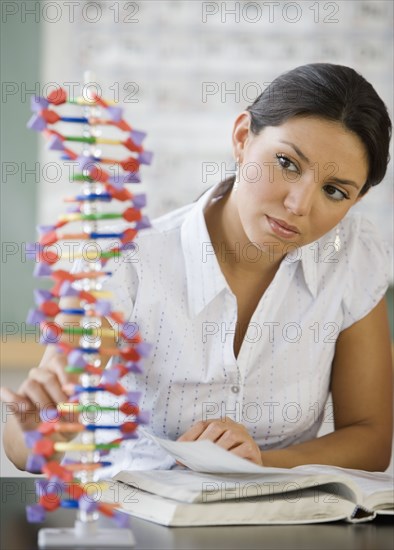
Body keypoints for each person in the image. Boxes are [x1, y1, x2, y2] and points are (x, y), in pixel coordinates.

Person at [2, 63, 393, 474]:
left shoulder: (352, 256)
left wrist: (259, 463)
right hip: (143, 525)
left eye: (334, 191)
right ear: (243, 138)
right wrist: (40, 430)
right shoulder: (125, 264)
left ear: (355, 200)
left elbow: (369, 439)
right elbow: (32, 444)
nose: (299, 204)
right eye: (287, 163)